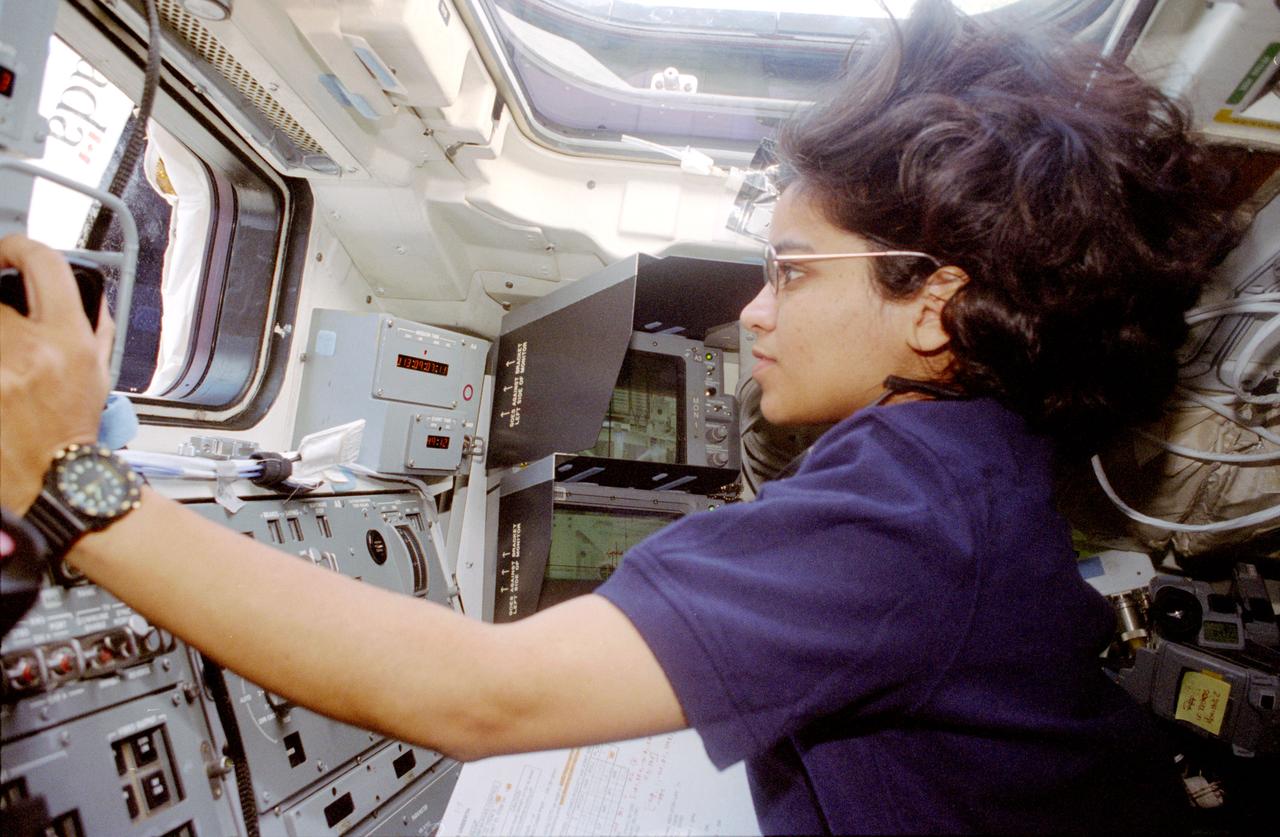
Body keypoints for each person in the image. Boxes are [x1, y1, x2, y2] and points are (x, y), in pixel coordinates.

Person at [0, 1, 1239, 833]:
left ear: (933, 305)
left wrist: (71, 478)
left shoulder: (906, 500)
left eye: (792, 272)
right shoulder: (974, 466)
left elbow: (474, 698)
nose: (753, 313)